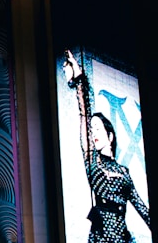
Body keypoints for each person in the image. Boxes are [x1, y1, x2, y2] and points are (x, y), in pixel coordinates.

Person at [63, 51, 151, 243]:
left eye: (97, 128)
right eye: (91, 129)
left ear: (110, 136)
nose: (93, 132)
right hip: (101, 238)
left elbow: (142, 208)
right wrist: (79, 80)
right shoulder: (92, 160)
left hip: (124, 239)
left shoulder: (124, 172)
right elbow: (84, 115)